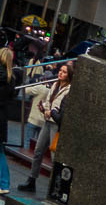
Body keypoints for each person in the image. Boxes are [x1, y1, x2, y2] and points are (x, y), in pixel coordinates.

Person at [17, 61, 71, 193]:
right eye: (60, 70)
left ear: (69, 75)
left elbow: (62, 109)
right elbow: (48, 101)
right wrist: (45, 109)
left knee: (54, 156)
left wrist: (50, 111)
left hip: (56, 125)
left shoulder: (69, 90)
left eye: (64, 72)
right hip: (47, 121)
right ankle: (31, 180)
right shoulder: (54, 85)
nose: (60, 73)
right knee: (38, 151)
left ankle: (54, 187)